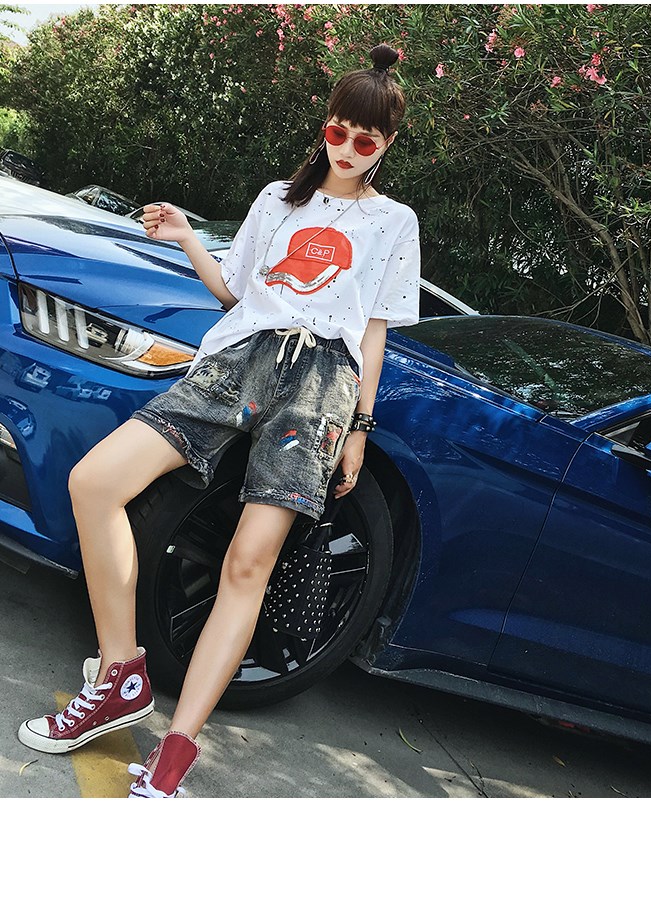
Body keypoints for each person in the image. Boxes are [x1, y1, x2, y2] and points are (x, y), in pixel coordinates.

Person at [17, 42, 421, 798]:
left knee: (247, 564)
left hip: (319, 386)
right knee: (95, 483)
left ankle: (176, 750)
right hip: (235, 362)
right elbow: (237, 295)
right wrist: (186, 238)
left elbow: (373, 333)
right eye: (338, 132)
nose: (347, 150)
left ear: (387, 145)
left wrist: (360, 427)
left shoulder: (395, 223)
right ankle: (121, 674)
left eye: (365, 142)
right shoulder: (278, 200)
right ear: (326, 128)